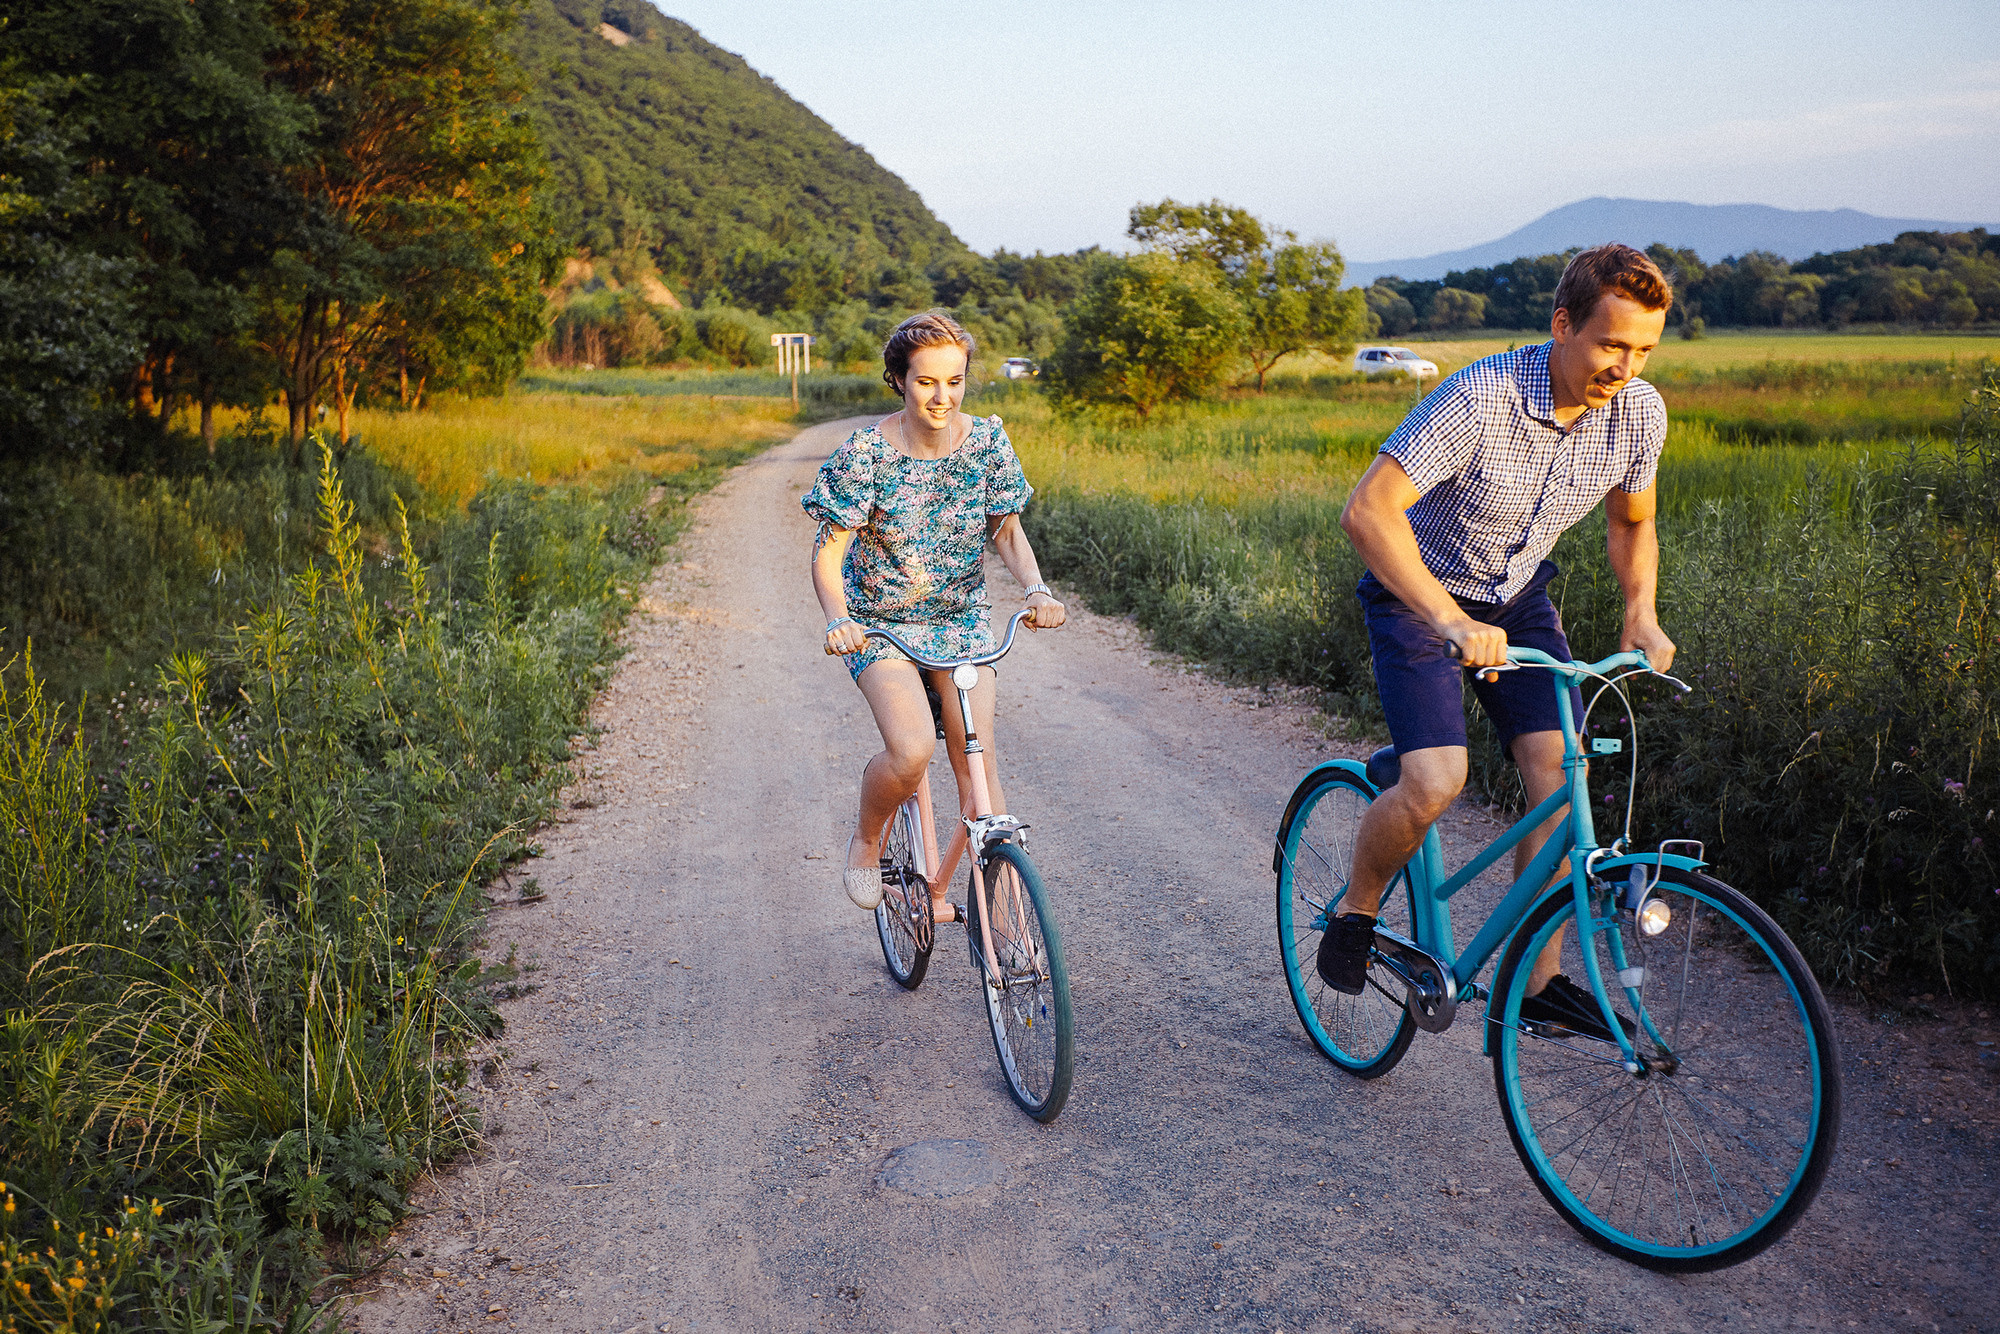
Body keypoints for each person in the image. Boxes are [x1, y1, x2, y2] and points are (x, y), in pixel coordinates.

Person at [1322, 244, 1678, 1040]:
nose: (1626, 365)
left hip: (1517, 599)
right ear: (1563, 326)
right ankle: (1356, 912)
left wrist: (1640, 611)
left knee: (1562, 773)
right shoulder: (1480, 400)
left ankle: (1538, 977)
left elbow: (1633, 520)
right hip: (1419, 594)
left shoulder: (1640, 412)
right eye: (1611, 344)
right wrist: (1447, 619)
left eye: (1644, 349)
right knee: (1437, 780)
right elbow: (1368, 512)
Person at [803, 312, 1066, 916]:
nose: (943, 396)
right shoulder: (865, 453)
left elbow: (1006, 529)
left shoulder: (987, 443)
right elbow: (828, 552)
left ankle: (1002, 919)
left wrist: (1036, 589)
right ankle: (867, 842)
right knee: (913, 748)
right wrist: (837, 618)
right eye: (927, 382)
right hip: (880, 626)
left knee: (980, 767)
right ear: (899, 379)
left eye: (955, 380)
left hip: (960, 622)